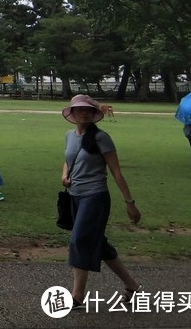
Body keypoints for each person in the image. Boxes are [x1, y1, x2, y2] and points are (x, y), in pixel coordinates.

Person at [60, 94, 141, 310]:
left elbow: (116, 171)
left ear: (95, 114)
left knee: (79, 241)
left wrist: (129, 202)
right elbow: (67, 160)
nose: (83, 113)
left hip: (95, 197)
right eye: (79, 110)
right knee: (99, 244)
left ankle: (77, 296)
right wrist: (64, 175)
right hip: (75, 196)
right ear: (73, 113)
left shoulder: (101, 138)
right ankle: (133, 286)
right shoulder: (69, 135)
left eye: (88, 110)